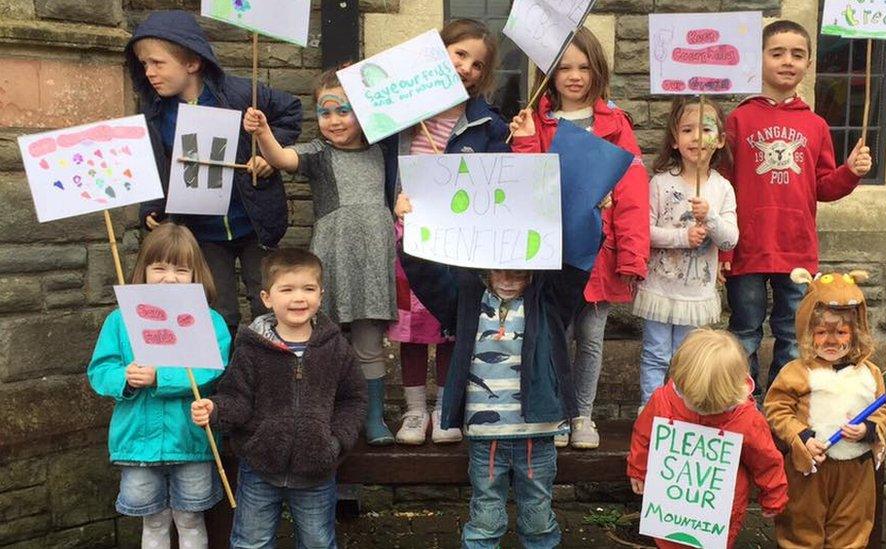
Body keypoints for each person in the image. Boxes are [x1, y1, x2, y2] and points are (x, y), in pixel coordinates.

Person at [397, 194, 586, 547]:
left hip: (537, 433)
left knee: (538, 517)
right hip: (486, 437)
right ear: (484, 267)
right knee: (485, 515)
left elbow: (577, 264)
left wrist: (592, 215)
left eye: (519, 271)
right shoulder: (467, 301)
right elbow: (428, 277)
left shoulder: (549, 303)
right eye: (501, 269)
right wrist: (410, 228)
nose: (510, 279)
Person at [509, 26, 650, 448]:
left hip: (600, 253)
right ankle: (556, 411)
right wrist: (524, 140)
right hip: (555, 252)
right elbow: (528, 184)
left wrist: (632, 255)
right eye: (565, 67)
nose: (574, 75)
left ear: (597, 70)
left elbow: (632, 194)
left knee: (590, 340)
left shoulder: (615, 124)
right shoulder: (536, 121)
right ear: (549, 74)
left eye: (584, 66)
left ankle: (583, 415)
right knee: (555, 334)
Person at [243, 67, 398, 446]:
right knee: (325, 339)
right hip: (333, 256)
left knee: (368, 341)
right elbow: (280, 158)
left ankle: (373, 417)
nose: (334, 120)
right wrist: (263, 132)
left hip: (375, 260)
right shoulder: (317, 153)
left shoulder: (384, 150)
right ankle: (325, 412)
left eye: (344, 110)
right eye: (325, 112)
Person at [125, 10, 303, 335]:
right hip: (202, 232)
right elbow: (153, 164)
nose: (149, 72)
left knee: (268, 302)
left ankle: (271, 374)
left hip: (255, 225)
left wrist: (268, 154)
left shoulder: (239, 94)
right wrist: (152, 207)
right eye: (143, 65)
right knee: (217, 311)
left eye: (157, 63)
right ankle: (225, 379)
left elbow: (291, 111)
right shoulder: (153, 112)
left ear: (192, 63)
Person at [719, 20, 873, 393]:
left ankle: (781, 408)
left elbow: (823, 186)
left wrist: (849, 172)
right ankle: (744, 408)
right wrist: (722, 250)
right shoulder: (739, 118)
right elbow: (721, 185)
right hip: (748, 249)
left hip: (797, 252)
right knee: (745, 333)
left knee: (792, 337)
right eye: (777, 53)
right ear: (760, 61)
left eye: (797, 54)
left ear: (808, 63)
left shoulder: (816, 125)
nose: (787, 61)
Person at [191, 248, 367, 548]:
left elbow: (353, 399)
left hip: (317, 470)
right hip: (260, 466)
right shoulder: (251, 348)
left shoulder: (336, 348)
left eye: (308, 289)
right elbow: (237, 398)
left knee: (317, 543)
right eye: (287, 289)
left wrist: (336, 441)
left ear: (321, 295)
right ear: (267, 298)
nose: (299, 298)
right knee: (251, 543)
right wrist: (216, 409)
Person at [389, 18, 510, 445]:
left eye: (478, 65)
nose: (467, 68)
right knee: (410, 329)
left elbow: (499, 183)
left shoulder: (487, 124)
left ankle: (445, 408)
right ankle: (414, 410)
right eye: (459, 54)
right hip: (407, 237)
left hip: (457, 244)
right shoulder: (402, 113)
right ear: (438, 52)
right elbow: (372, 159)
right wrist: (394, 200)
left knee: (449, 325)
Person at [88, 222, 231, 548]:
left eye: (181, 270)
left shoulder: (210, 321)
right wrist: (124, 378)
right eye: (160, 268)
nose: (170, 277)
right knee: (153, 522)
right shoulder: (119, 321)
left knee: (191, 520)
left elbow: (211, 368)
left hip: (191, 442)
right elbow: (100, 370)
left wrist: (160, 377)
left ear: (196, 274)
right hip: (137, 444)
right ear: (144, 270)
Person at [627, 329, 788, 548]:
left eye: (713, 408)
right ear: (682, 382)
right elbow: (644, 435)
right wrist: (638, 468)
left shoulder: (748, 419)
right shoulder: (664, 400)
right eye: (696, 404)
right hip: (671, 506)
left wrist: (774, 495)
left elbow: (766, 460)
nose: (703, 412)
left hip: (722, 510)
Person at [764, 268, 886, 548]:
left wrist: (868, 430)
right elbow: (776, 409)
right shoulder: (796, 372)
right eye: (821, 332)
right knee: (800, 526)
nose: (831, 341)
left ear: (855, 334)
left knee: (852, 529)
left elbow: (882, 412)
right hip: (810, 469)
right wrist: (803, 437)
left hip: (856, 471)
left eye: (841, 332)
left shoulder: (870, 373)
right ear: (808, 332)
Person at [632, 97, 738, 406]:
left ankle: (681, 410)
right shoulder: (661, 184)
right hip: (661, 289)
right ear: (676, 140)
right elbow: (645, 232)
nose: (696, 137)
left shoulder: (722, 188)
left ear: (719, 140)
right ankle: (650, 409)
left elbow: (730, 240)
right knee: (655, 354)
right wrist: (682, 236)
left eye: (705, 129)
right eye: (687, 130)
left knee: (687, 358)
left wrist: (712, 218)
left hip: (696, 294)